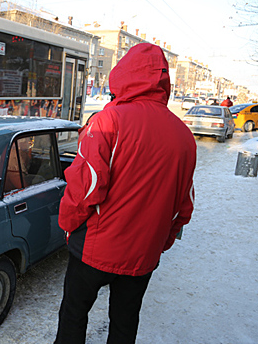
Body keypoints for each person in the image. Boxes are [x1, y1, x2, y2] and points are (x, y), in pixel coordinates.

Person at [54, 43, 197, 344]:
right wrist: (161, 242)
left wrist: (68, 224)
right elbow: (184, 204)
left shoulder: (109, 121)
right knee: (125, 321)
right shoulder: (184, 136)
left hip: (95, 248)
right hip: (143, 254)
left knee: (73, 316)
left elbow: (85, 188)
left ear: (123, 74)